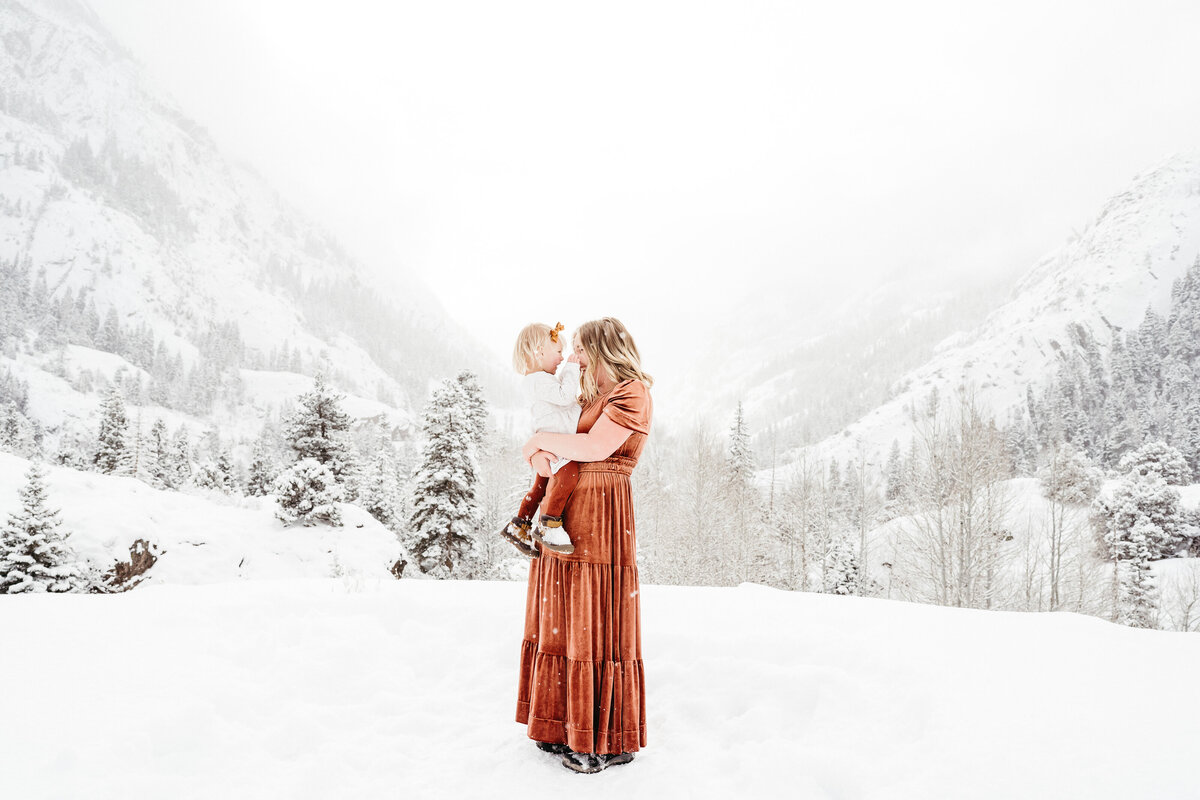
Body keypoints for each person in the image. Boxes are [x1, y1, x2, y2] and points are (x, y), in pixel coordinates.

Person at [515, 316, 653, 774]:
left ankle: (604, 735)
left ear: (602, 351)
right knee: (563, 614)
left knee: (594, 616)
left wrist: (540, 441)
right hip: (568, 507)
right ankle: (559, 725)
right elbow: (548, 453)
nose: (572, 358)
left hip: (602, 509)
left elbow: (593, 448)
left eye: (579, 350)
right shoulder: (588, 397)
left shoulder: (631, 392)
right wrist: (538, 448)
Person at [498, 322, 582, 557]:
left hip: (550, 440)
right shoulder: (538, 380)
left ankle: (520, 525)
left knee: (539, 486)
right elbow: (565, 397)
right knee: (569, 475)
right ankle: (549, 524)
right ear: (539, 352)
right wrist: (571, 369)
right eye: (557, 353)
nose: (562, 357)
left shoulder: (539, 381)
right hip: (556, 444)